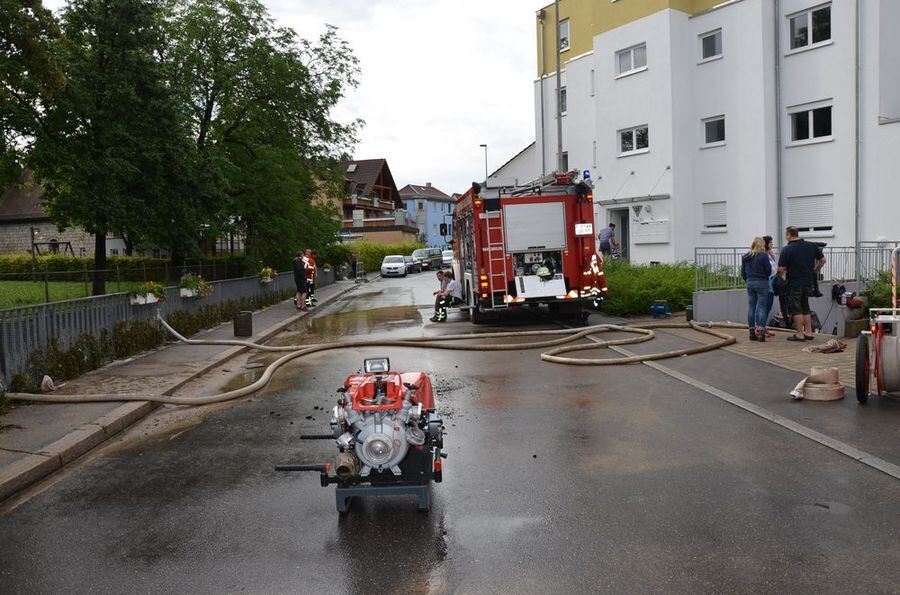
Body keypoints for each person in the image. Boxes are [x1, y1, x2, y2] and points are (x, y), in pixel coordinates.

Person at [777, 226, 826, 341]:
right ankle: (809, 332)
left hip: (794, 282)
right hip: (808, 282)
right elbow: (823, 260)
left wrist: (779, 277)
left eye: (786, 235)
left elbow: (781, 269)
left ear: (789, 234)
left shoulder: (787, 249)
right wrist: (816, 269)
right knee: (805, 306)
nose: (786, 237)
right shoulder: (811, 246)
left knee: (795, 308)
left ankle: (799, 334)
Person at [741, 237, 772, 342]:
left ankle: (751, 332)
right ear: (762, 245)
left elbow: (742, 273)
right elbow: (768, 271)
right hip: (762, 283)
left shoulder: (746, 256)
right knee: (762, 307)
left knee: (751, 307)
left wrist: (748, 279)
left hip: (750, 283)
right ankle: (762, 333)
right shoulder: (764, 256)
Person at [762, 235, 778, 338]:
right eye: (770, 242)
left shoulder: (770, 255)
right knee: (763, 307)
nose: (772, 244)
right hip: (766, 283)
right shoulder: (762, 255)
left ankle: (764, 327)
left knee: (768, 307)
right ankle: (759, 327)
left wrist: (773, 257)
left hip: (772, 283)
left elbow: (774, 268)